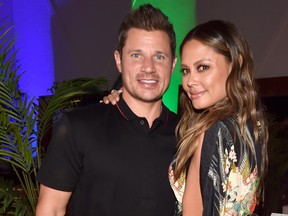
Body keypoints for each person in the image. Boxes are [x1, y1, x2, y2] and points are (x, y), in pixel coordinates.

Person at [36, 4, 179, 216]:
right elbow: (51, 210)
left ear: (173, 64)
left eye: (159, 56)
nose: (149, 67)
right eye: (136, 55)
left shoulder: (188, 135)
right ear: (119, 61)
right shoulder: (78, 127)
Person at [168, 20, 268, 215]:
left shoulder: (215, 131)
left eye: (203, 67)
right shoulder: (252, 124)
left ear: (235, 65)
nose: (190, 81)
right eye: (186, 71)